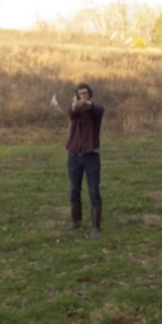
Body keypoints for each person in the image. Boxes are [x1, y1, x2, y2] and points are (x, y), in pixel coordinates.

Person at [64, 83, 106, 237]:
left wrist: (84, 104)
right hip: (74, 155)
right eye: (80, 93)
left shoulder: (97, 109)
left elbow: (92, 108)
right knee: (74, 189)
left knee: (94, 190)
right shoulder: (74, 108)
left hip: (91, 156)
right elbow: (72, 111)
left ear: (90, 94)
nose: (83, 95)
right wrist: (76, 105)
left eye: (86, 93)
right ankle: (75, 222)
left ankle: (96, 228)